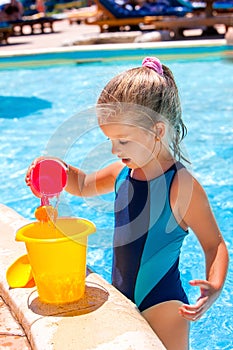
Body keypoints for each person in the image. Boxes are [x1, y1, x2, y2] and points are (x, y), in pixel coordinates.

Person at [25, 57, 229, 350]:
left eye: (123, 140)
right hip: (122, 298)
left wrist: (215, 286)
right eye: (109, 140)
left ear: (158, 131)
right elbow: (81, 184)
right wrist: (52, 169)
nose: (113, 149)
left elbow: (215, 244)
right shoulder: (122, 173)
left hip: (163, 304)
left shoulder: (181, 186)